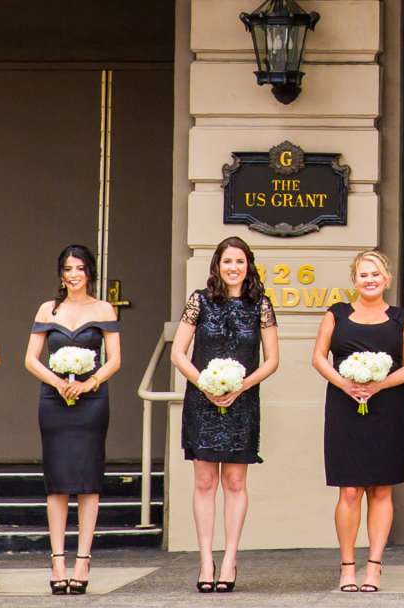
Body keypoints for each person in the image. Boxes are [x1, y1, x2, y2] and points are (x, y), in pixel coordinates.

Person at [172, 236, 279, 593]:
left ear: (249, 266)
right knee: (204, 483)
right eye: (227, 261)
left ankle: (230, 558)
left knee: (235, 482)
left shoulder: (260, 305)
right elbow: (178, 353)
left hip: (242, 401)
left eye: (240, 261)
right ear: (217, 265)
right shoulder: (199, 302)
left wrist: (241, 386)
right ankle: (205, 560)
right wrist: (204, 383)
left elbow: (272, 360)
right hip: (202, 401)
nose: (233, 267)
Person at [315, 249, 404, 594]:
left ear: (386, 278)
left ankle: (374, 566)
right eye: (363, 274)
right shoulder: (337, 314)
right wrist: (345, 383)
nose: (370, 279)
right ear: (354, 280)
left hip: (387, 406)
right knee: (349, 489)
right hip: (344, 406)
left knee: (381, 488)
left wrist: (379, 384)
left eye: (375, 274)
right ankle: (347, 566)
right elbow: (318, 357)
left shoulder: (401, 318)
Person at [24, 243, 119, 595]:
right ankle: (57, 561)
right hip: (54, 399)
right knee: (58, 481)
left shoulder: (103, 308)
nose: (74, 274)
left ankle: (83, 560)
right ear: (61, 274)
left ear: (89, 272)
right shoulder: (48, 309)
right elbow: (31, 359)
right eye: (68, 269)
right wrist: (58, 382)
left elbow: (114, 359)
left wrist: (89, 382)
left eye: (80, 268)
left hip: (92, 400)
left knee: (88, 480)